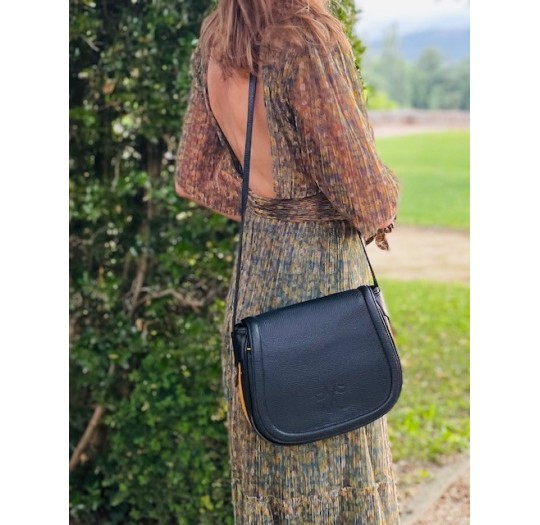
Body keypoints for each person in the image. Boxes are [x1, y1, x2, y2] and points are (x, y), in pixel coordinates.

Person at [174, 0, 400, 522]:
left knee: (272, 460)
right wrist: (377, 207)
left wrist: (271, 212)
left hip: (256, 279)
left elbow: (193, 175)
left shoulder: (217, 41)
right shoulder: (305, 39)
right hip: (321, 284)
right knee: (336, 458)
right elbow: (366, 194)